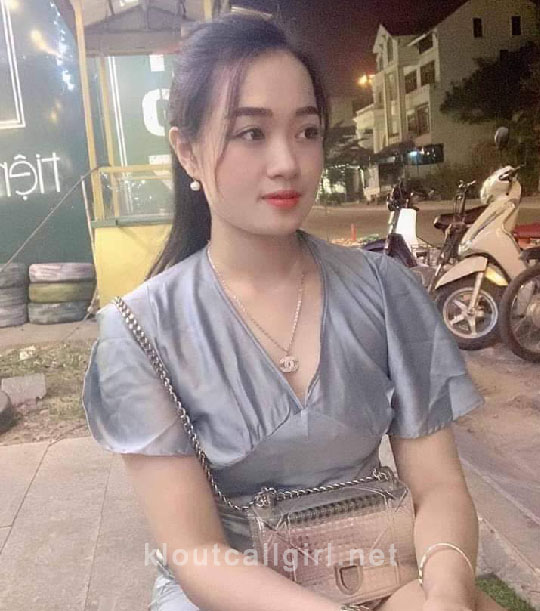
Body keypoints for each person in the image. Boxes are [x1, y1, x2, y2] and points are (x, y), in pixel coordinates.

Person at [82, 13, 505, 611]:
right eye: (251, 133)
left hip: (377, 573)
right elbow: (195, 552)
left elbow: (438, 487)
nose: (287, 161)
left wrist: (448, 590)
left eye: (306, 131)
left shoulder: (385, 291)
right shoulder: (141, 331)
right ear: (188, 152)